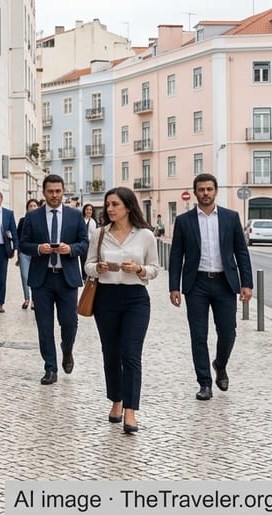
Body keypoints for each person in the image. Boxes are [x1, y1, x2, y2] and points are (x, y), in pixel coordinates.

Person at [167, 173, 253, 401]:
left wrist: (247, 283)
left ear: (216, 191)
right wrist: (174, 287)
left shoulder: (230, 217)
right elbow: (176, 256)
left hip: (225, 283)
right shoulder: (184, 221)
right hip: (197, 284)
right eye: (201, 189)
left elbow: (241, 253)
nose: (205, 193)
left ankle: (220, 364)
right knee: (198, 335)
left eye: (209, 189)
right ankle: (204, 383)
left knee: (228, 332)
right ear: (195, 192)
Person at [84, 186, 159, 434]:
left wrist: (139, 269)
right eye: (108, 205)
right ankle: (116, 400)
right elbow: (88, 266)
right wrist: (100, 268)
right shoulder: (99, 233)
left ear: (128, 206)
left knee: (131, 353)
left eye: (115, 204)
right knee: (111, 353)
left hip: (135, 298)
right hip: (106, 298)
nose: (110, 209)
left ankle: (131, 411)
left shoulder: (145, 235)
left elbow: (154, 269)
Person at [20, 174, 89, 385]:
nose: (54, 195)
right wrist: (38, 249)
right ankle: (50, 367)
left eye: (58, 191)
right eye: (50, 191)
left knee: (69, 323)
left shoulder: (75, 216)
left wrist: (72, 249)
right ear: (44, 192)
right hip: (42, 280)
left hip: (67, 279)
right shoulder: (33, 217)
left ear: (63, 191)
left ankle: (67, 350)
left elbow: (85, 243)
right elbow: (23, 244)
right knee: (44, 325)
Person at [15, 199, 41, 310]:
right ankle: (26, 298)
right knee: (25, 276)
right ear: (27, 208)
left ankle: (35, 300)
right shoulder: (22, 221)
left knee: (35, 277)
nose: (33, 207)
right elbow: (18, 237)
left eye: (35, 205)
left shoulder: (42, 220)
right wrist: (18, 253)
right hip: (24, 253)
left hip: (37, 253)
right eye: (31, 206)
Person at [80, 203, 98, 277]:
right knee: (80, 260)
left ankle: (85, 276)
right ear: (84, 210)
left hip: (89, 244)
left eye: (90, 210)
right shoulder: (81, 220)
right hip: (80, 243)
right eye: (87, 209)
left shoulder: (94, 222)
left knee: (86, 260)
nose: (89, 211)